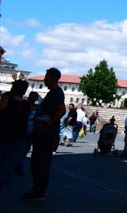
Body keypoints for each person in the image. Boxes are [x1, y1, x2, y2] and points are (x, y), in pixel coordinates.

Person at [23, 67, 66, 201]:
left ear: (53, 78)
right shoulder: (53, 92)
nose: (44, 79)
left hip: (46, 133)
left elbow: (62, 110)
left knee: (40, 162)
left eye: (46, 76)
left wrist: (48, 124)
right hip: (43, 132)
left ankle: (39, 191)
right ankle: (38, 189)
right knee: (38, 161)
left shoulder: (56, 93)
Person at [0, 79, 31, 193]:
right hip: (19, 139)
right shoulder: (26, 104)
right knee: (8, 166)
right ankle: (3, 188)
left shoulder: (6, 102)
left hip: (4, 137)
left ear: (13, 89)